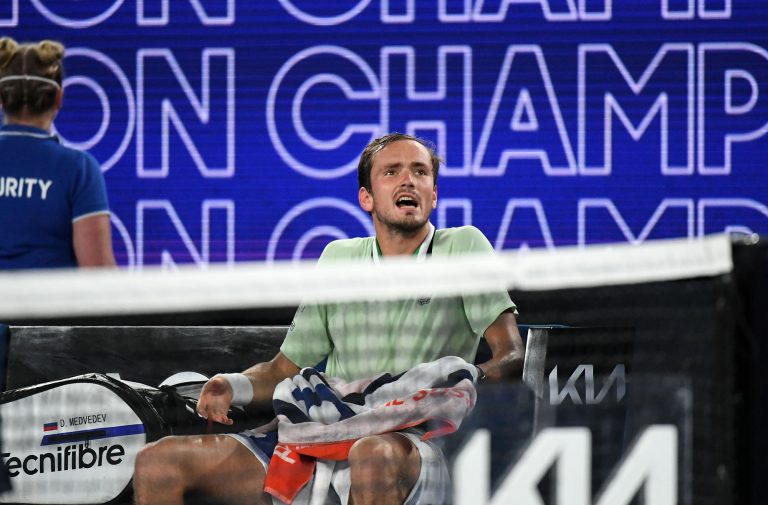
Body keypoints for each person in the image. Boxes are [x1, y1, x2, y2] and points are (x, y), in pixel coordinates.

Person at [132, 133, 524, 505]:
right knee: (159, 461)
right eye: (392, 172)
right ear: (366, 198)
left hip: (414, 439)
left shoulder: (463, 247)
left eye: (420, 172)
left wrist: (463, 379)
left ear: (433, 194)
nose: (408, 180)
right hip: (321, 430)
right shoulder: (338, 259)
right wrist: (233, 385)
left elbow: (511, 354)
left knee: (371, 455)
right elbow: (283, 369)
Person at [0, 37, 115, 269]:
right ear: (59, 98)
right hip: (50, 294)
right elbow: (99, 273)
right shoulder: (79, 169)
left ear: (1, 98)